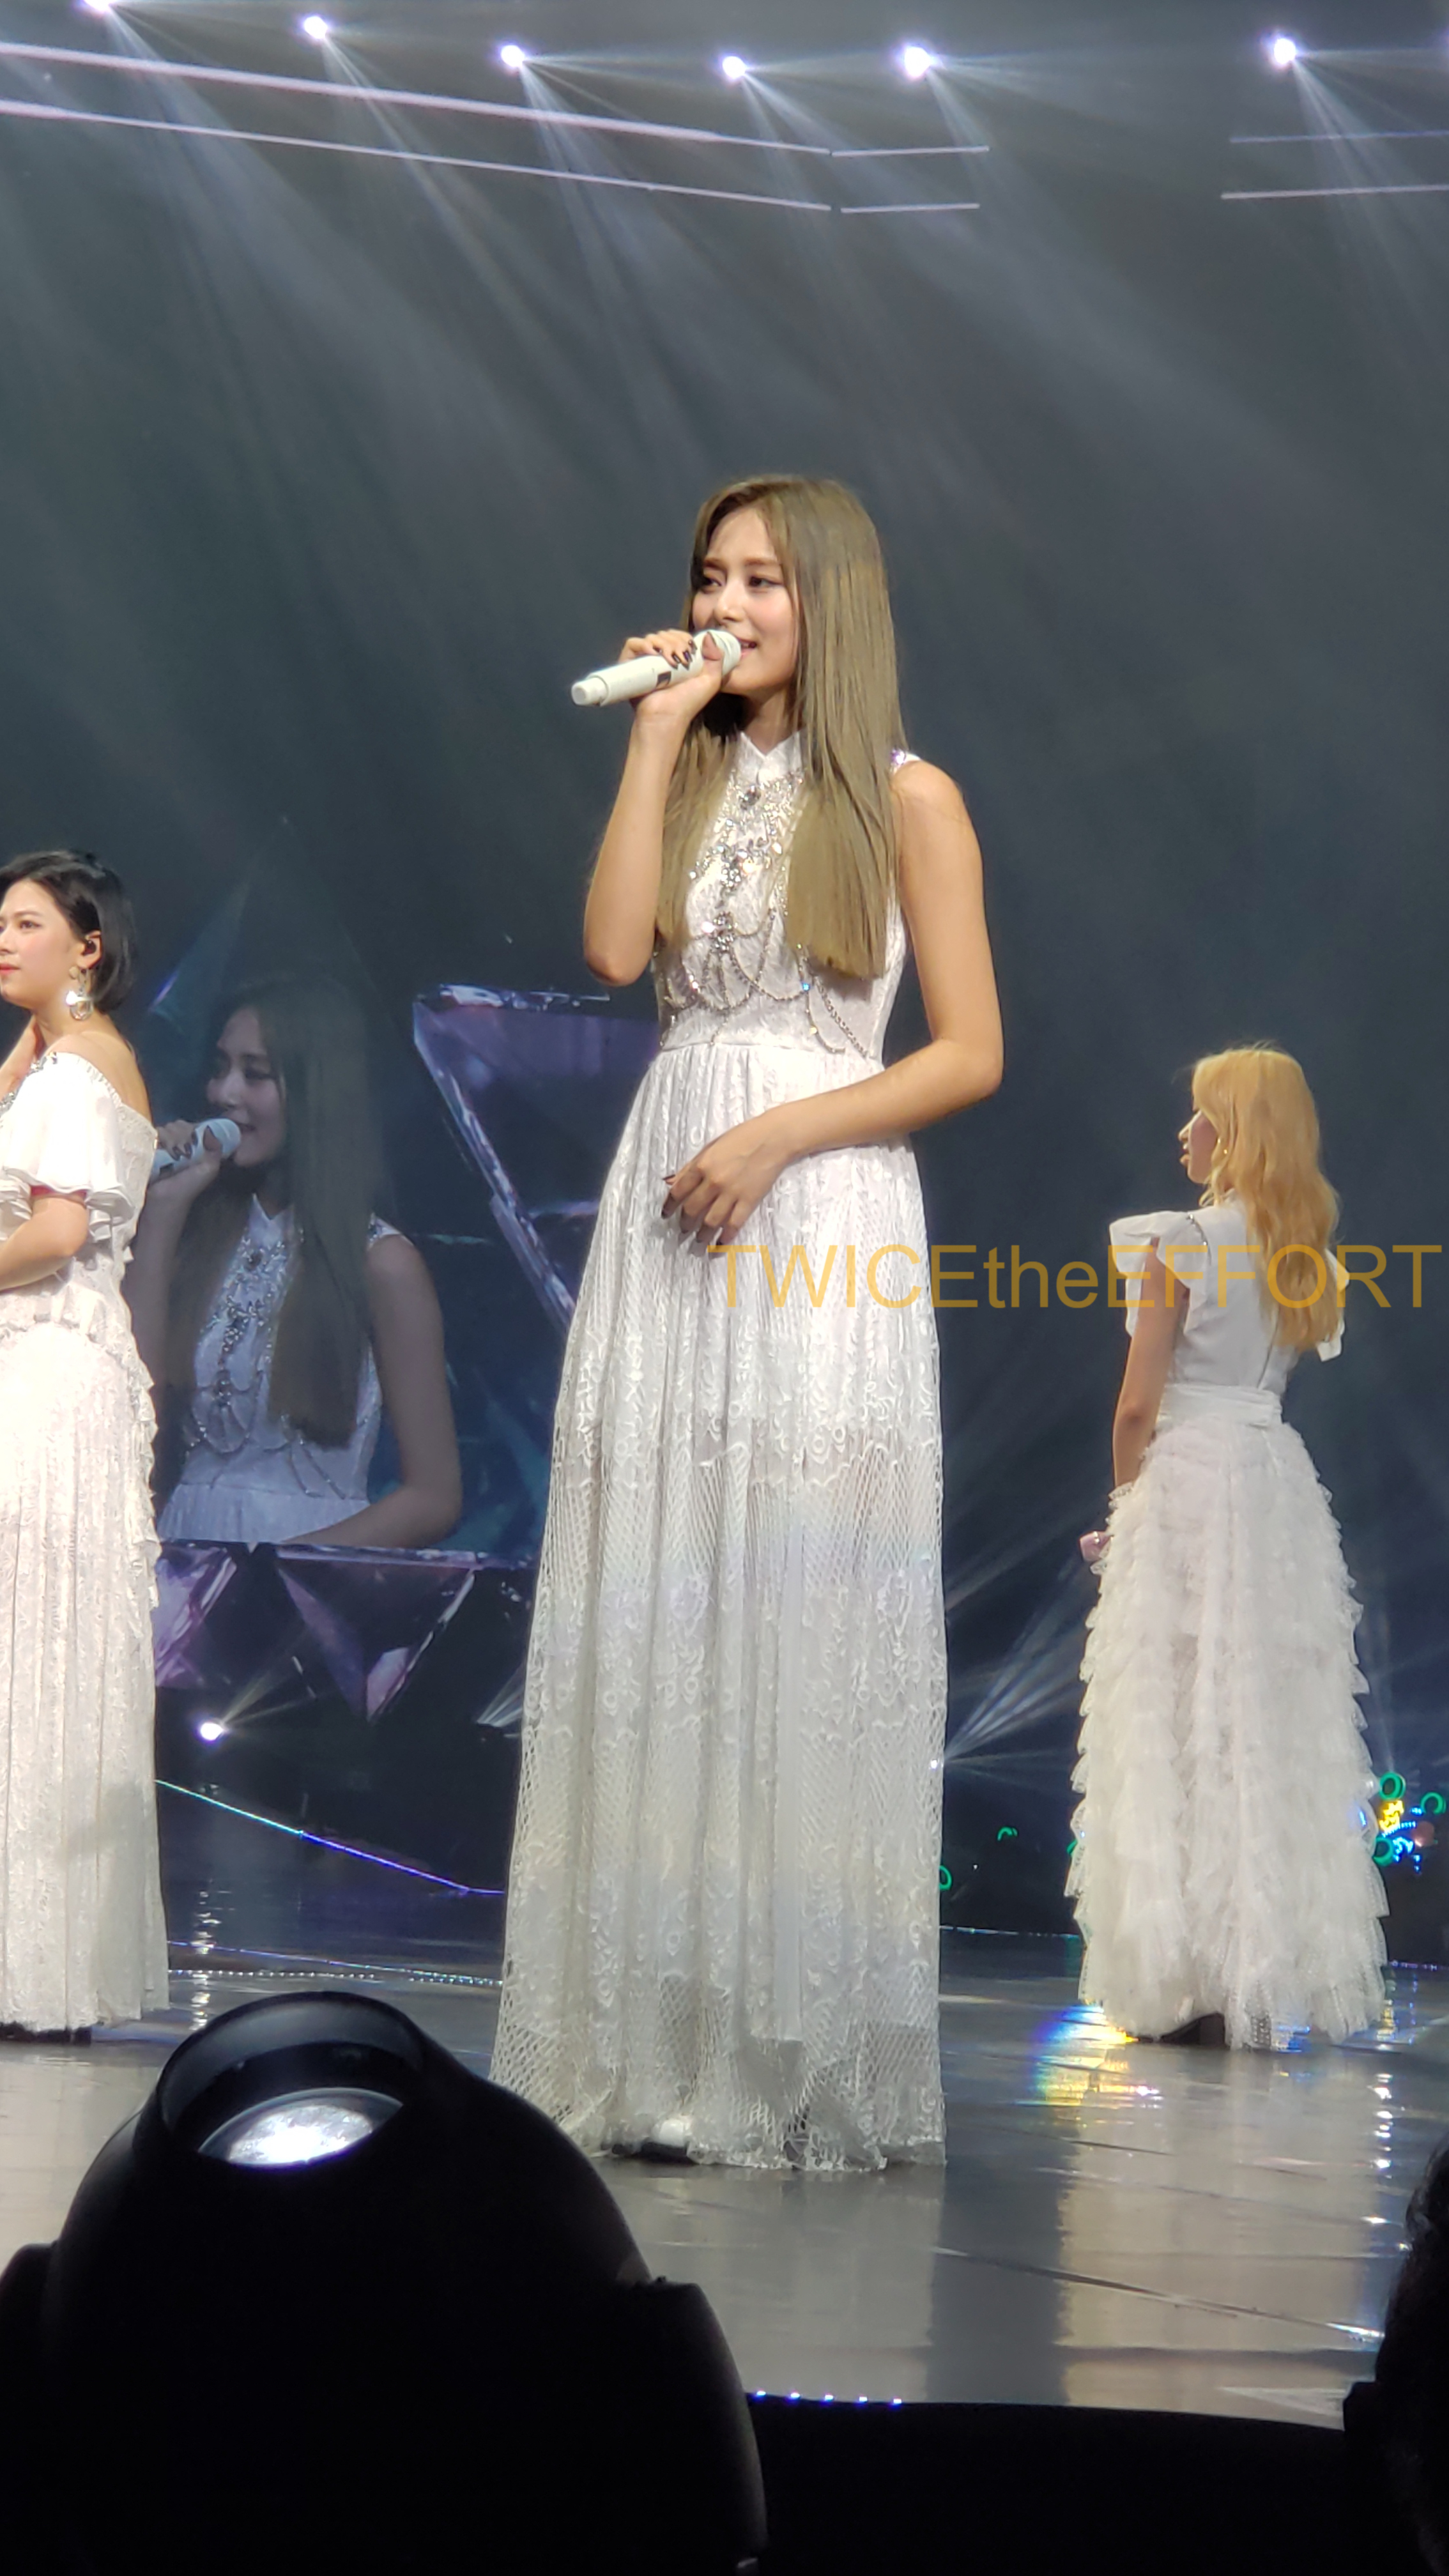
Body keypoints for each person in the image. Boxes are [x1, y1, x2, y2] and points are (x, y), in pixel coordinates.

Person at [490, 475, 1002, 2170]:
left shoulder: (911, 797)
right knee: (658, 1573)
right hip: (672, 1188)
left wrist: (779, 1136)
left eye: (762, 581)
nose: (725, 604)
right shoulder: (694, 772)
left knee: (786, 1579)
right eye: (711, 576)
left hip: (815, 1196)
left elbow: (966, 1053)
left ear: (829, 602)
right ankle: (636, 2042)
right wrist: (654, 739)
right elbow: (608, 948)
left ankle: (776, 2052)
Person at [1068, 1045, 1386, 2050]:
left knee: (1174, 1720)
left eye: (1202, 1114)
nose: (1186, 1132)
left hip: (1189, 1482)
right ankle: (1253, 1970)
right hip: (1273, 1487)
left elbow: (1136, 1407)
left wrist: (1127, 1514)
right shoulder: (1306, 1258)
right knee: (1258, 1725)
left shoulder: (1182, 1243)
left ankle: (1182, 1977)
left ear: (1236, 1131)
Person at [0, 849, 167, 2037]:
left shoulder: (74, 1070)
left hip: (47, 1372)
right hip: (70, 1373)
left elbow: (56, 1232)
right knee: (40, 1657)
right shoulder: (75, 1062)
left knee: (30, 1652)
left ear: (87, 945)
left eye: (25, 923)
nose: (2, 940)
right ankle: (40, 1962)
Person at [126, 976, 461, 1548]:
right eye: (220, 1068)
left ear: (316, 1092)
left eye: (254, 1074)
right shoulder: (197, 1236)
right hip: (181, 1562)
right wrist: (162, 1211)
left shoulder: (382, 1262)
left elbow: (433, 1496)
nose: (223, 1092)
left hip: (300, 1577)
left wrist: (280, 1571)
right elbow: (130, 1415)